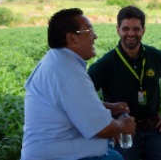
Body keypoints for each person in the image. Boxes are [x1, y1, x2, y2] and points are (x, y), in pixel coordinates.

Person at [21, 8, 136, 160]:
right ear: (72, 38)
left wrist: (107, 107)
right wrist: (123, 125)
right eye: (90, 31)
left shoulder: (58, 61)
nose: (95, 37)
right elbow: (102, 129)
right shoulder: (67, 71)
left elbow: (70, 105)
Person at [88, 6, 161, 160]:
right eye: (126, 29)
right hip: (122, 133)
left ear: (143, 30)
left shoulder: (156, 56)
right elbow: (85, 96)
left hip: (153, 128)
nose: (131, 34)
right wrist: (107, 123)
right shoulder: (106, 63)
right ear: (118, 30)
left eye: (136, 29)